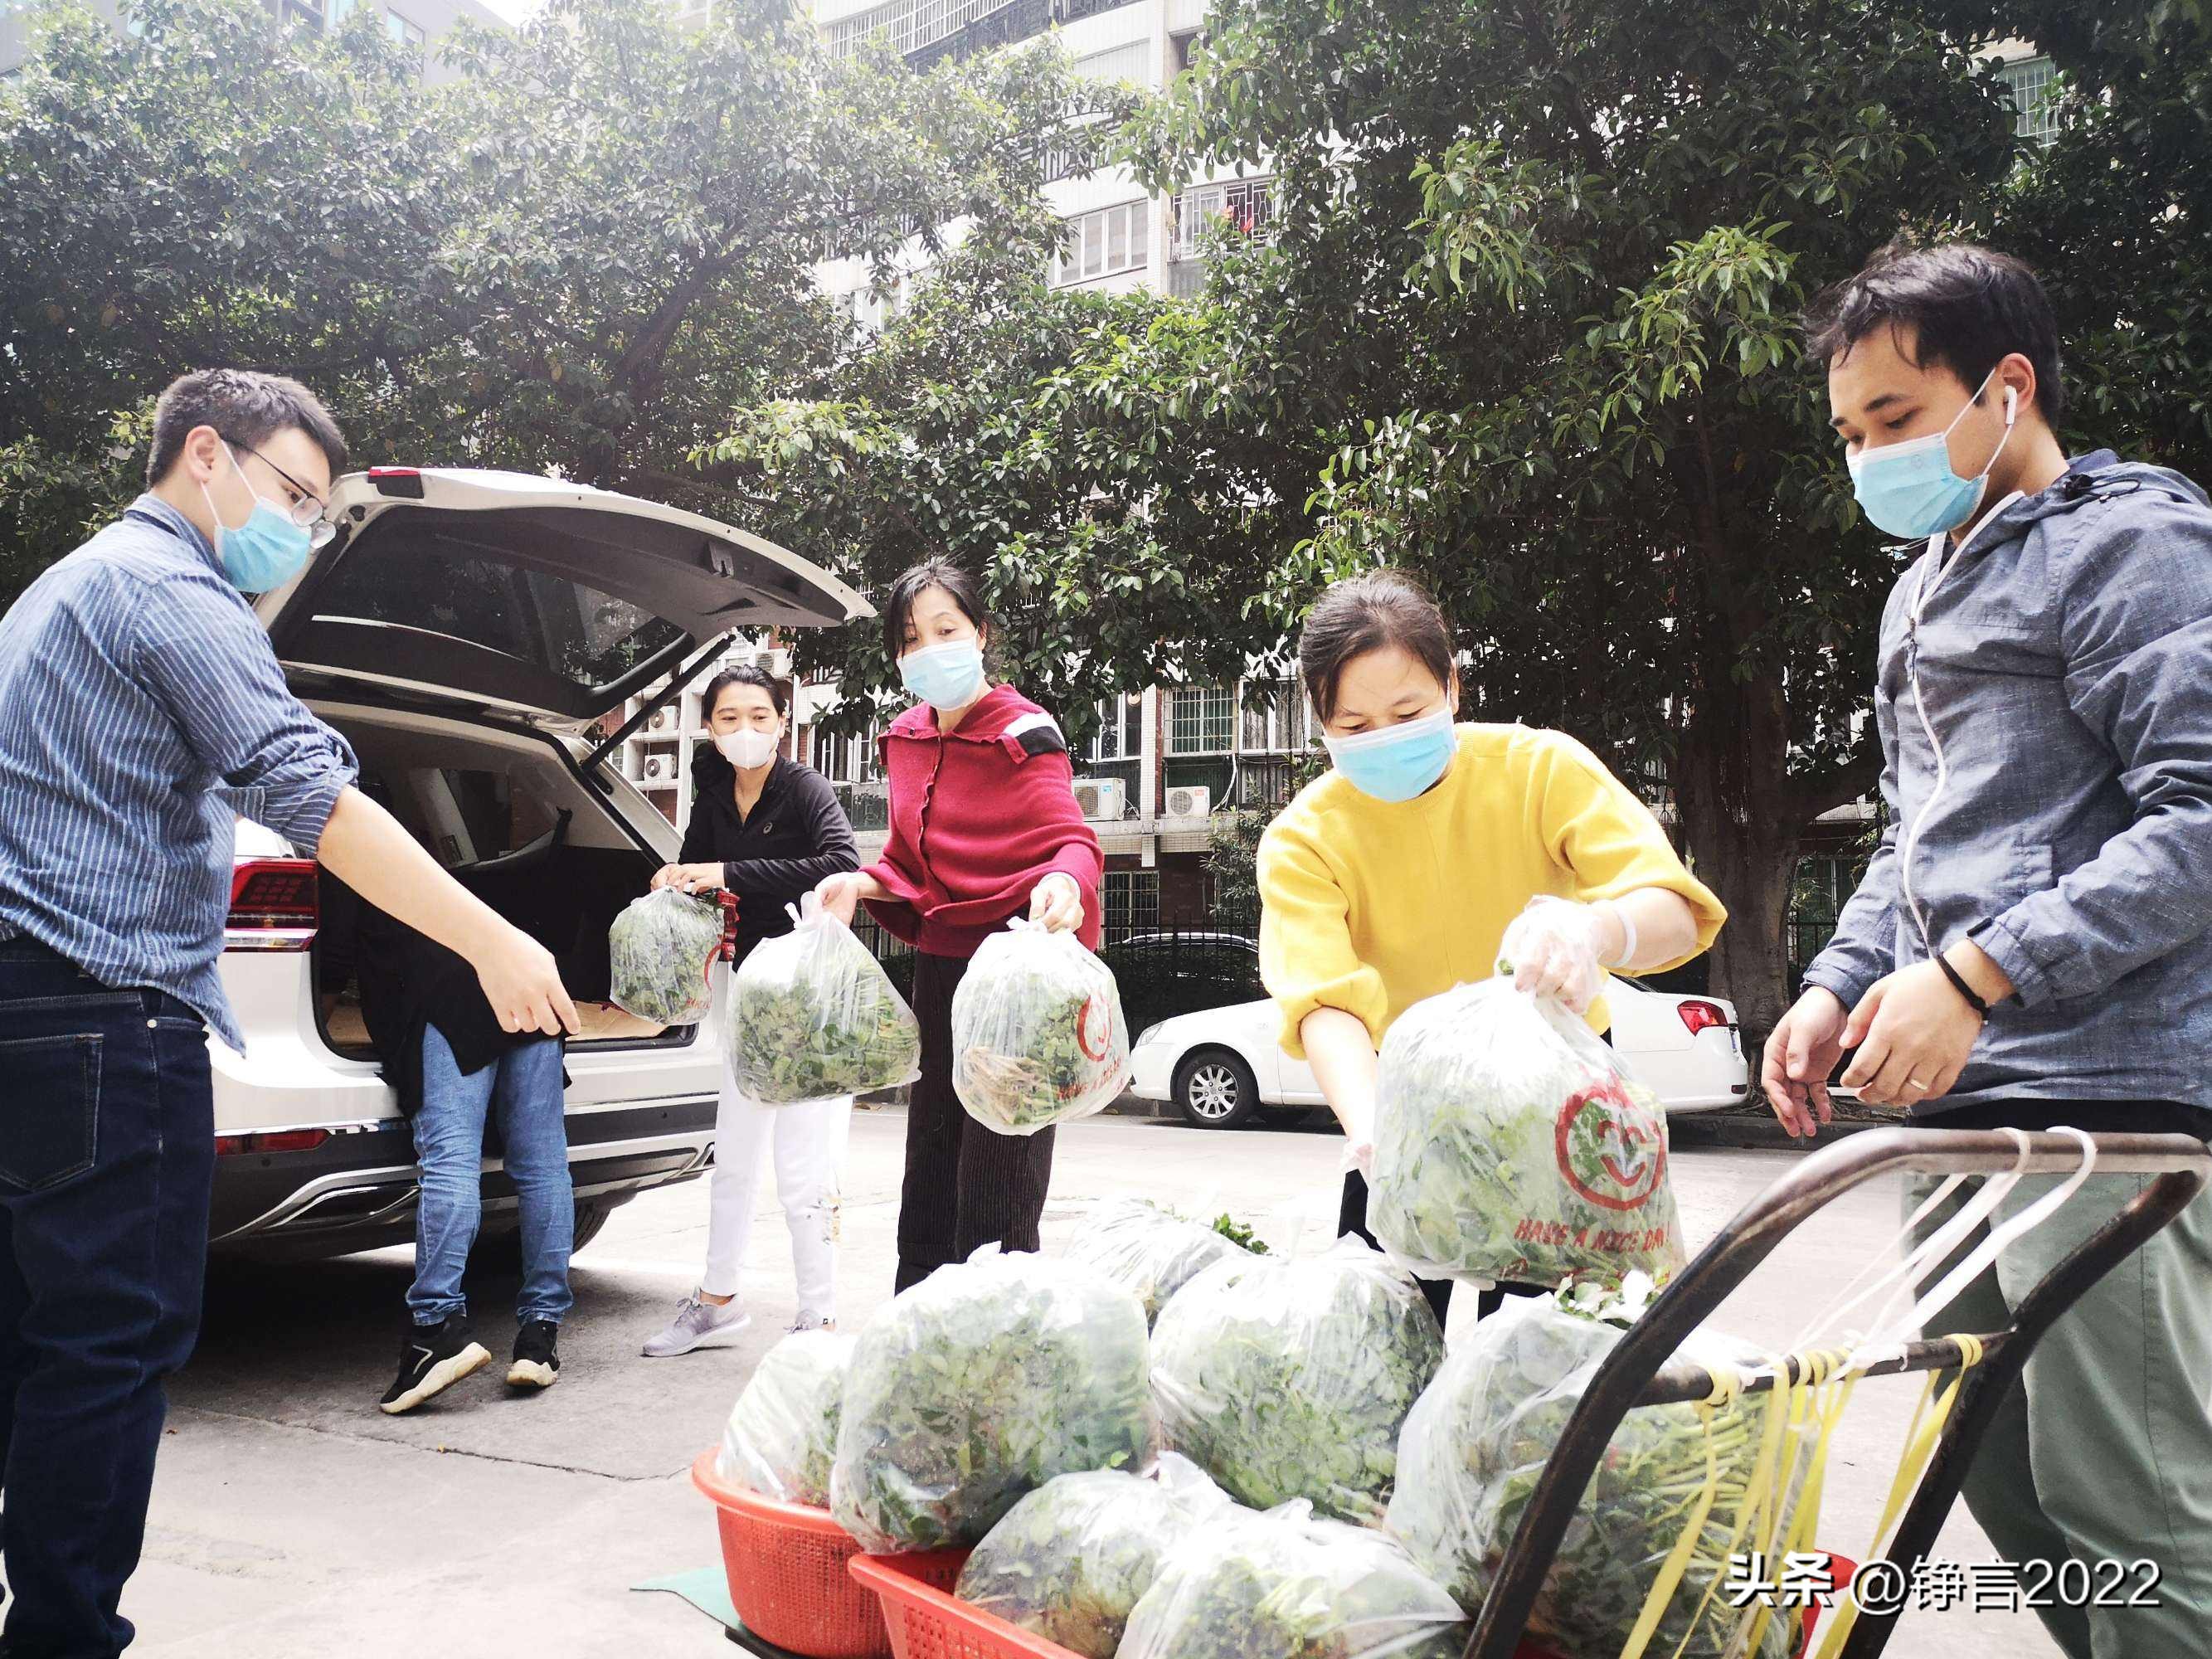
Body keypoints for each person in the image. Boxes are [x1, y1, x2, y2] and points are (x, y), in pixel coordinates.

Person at [0, 368, 576, 1658]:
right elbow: (310, 793)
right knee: (108, 1347)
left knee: (32, 1343)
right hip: (107, 1015)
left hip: (22, 1008)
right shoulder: (172, 592)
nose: (301, 532)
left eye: (318, 514)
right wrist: (491, 940)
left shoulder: (60, 588)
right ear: (206, 453)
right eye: (294, 496)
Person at [1767, 241, 2212, 1658]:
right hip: (1963, 1112)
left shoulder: (2131, 544)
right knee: (2004, 1486)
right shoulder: (1919, 588)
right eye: (1849, 437)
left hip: (2109, 1103)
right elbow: (1915, 839)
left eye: (1894, 422)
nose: (1869, 463)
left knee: (2133, 1508)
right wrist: (1837, 984)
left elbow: (2199, 818)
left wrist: (1974, 975)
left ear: (2003, 389)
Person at [1257, 571, 1725, 1330]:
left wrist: (1592, 931)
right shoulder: (1304, 836)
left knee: (1566, 1359)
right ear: (1317, 719)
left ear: (1453, 686)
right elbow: (1324, 1003)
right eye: (1352, 725)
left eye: (1407, 711)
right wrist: (1374, 1133)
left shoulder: (1541, 769)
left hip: (1561, 1100)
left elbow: (1673, 911)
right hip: (1405, 1108)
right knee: (1378, 1351)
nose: (1383, 738)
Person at [813, 561, 1101, 1292]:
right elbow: (910, 863)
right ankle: (919, 1324)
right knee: (933, 1152)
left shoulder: (1025, 731)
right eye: (910, 639)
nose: (929, 649)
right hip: (942, 971)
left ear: (981, 633)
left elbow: (1071, 839)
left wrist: (1065, 881)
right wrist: (855, 881)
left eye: (945, 630)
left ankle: (995, 1333)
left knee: (999, 1166)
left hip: (1016, 982)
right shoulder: (902, 737)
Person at [640, 665, 860, 1355]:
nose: (745, 730)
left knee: (804, 1164)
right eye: (729, 718)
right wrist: (674, 882)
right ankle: (716, 1301)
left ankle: (817, 1316)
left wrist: (729, 874)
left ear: (782, 723)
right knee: (734, 1154)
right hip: (746, 988)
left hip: (807, 991)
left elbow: (842, 861)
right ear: (710, 727)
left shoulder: (804, 789)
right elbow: (693, 871)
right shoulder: (711, 798)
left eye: (759, 717)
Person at [325, 887, 577, 1413]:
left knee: (451, 1162)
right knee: (543, 1167)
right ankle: (539, 1338)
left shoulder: (347, 833)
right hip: (526, 978)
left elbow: (334, 954)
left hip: (442, 994)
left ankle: (436, 1327)